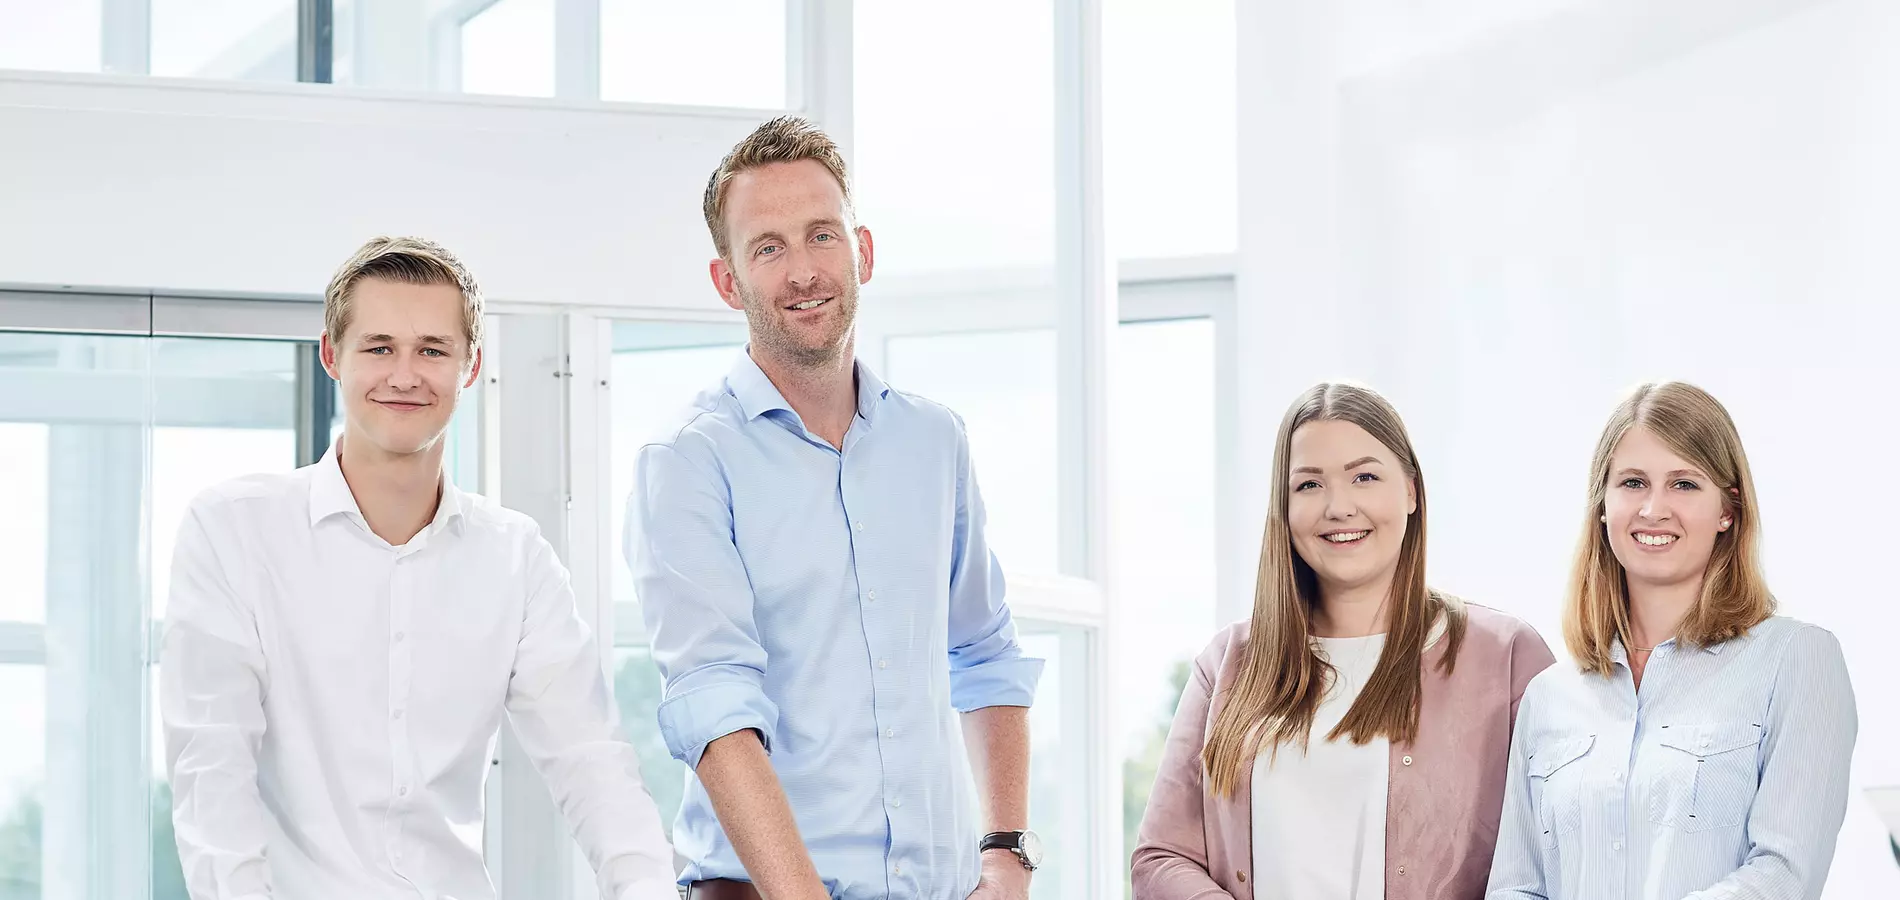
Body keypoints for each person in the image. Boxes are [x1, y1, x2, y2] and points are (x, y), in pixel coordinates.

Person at [162, 236, 677, 900]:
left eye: (432, 349)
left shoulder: (515, 557)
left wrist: (646, 887)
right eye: (379, 347)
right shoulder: (233, 529)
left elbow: (591, 763)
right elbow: (212, 773)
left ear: (470, 365)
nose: (405, 374)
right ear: (331, 356)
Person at [625, 115, 1045, 900]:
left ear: (864, 252)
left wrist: (1005, 856)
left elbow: (985, 653)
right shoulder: (686, 462)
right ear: (728, 282)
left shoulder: (934, 441)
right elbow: (716, 712)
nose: (803, 271)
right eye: (768, 247)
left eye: (823, 235)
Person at [1134, 382, 1555, 900]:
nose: (1339, 507)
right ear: (1283, 508)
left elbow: (1555, 856)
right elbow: (1161, 858)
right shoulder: (1229, 664)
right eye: (1309, 485)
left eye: (1364, 477)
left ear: (1411, 490)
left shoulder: (1507, 656)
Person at [1487, 382, 1857, 900]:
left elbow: (1784, 873)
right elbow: (1516, 887)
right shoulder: (1548, 696)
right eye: (1633, 482)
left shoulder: (1797, 661)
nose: (1654, 508)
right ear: (1602, 506)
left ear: (1728, 509)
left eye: (1684, 484)